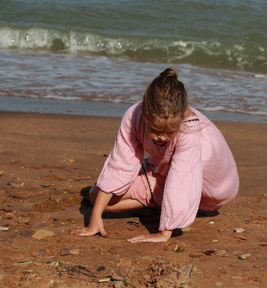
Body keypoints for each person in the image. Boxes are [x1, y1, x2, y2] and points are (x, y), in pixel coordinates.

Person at [70, 68, 239, 243]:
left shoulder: (190, 129)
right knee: (95, 196)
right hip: (164, 168)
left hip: (210, 186)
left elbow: (182, 179)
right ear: (144, 111)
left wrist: (164, 232)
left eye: (169, 132)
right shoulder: (134, 115)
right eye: (156, 130)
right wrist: (95, 217)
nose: (161, 137)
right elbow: (120, 163)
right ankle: (162, 200)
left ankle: (172, 207)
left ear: (181, 119)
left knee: (172, 190)